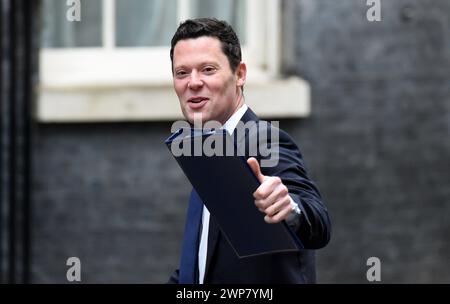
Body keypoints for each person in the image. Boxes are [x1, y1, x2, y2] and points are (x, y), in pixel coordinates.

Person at [168, 18, 331, 284]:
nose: (193, 83)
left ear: (240, 74)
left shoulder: (265, 141)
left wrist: (289, 207)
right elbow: (199, 270)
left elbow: (319, 223)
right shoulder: (207, 149)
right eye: (182, 73)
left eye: (208, 69)